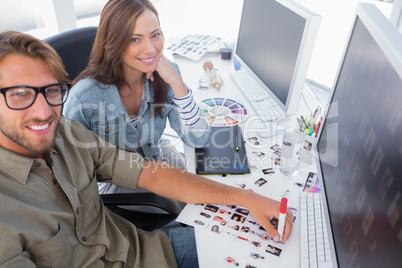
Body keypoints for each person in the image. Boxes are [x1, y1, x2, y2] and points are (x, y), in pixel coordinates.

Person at [0, 31, 293, 267]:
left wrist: (245, 198)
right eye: (20, 94)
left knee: (274, 246)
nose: (43, 111)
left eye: (50, 90)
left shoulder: (67, 133)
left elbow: (151, 174)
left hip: (147, 252)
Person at [63, 0, 209, 197]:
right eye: (135, 39)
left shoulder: (167, 74)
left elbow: (198, 138)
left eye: (155, 35)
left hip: (155, 156)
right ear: (114, 42)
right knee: (192, 204)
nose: (150, 49)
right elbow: (73, 170)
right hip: (114, 182)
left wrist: (177, 83)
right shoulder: (83, 96)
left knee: (207, 191)